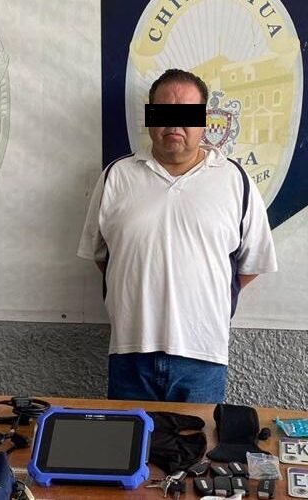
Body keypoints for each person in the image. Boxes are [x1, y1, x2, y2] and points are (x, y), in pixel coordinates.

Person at [78, 69, 277, 403]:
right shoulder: (116, 177)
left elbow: (252, 263)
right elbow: (103, 257)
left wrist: (205, 294)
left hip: (203, 356)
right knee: (128, 438)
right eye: (164, 112)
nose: (174, 124)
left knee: (202, 439)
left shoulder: (235, 181)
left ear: (204, 121)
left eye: (186, 114)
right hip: (130, 353)